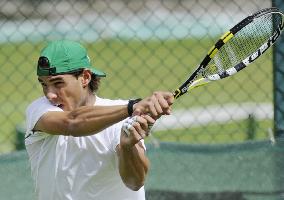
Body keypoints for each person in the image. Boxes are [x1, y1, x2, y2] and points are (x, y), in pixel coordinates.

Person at [25, 40, 174, 200]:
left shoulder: (121, 118)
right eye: (44, 84)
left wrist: (127, 147)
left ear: (85, 77)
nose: (50, 94)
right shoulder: (40, 110)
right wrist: (131, 107)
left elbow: (134, 183)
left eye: (57, 83)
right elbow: (72, 123)